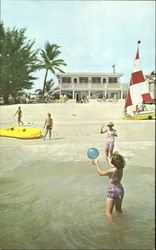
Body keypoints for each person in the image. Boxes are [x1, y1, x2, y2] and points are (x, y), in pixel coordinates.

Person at [91, 152, 126, 217]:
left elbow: (101, 173)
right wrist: (108, 159)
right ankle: (123, 223)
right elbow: (112, 165)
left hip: (113, 190)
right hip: (120, 189)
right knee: (118, 210)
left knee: (108, 213)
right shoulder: (121, 167)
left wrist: (96, 164)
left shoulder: (112, 170)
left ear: (114, 162)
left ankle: (116, 226)